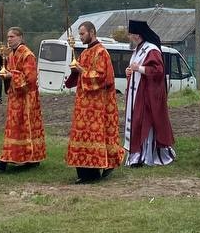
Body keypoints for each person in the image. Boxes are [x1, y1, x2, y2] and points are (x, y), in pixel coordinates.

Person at [64, 20, 124, 182]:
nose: (80, 37)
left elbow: (103, 78)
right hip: (83, 105)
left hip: (97, 106)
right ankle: (83, 173)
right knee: (81, 136)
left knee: (93, 137)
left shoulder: (101, 52)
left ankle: (92, 174)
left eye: (83, 34)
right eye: (79, 34)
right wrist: (74, 72)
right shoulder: (84, 53)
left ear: (92, 32)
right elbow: (78, 76)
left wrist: (81, 70)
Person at [0, 27, 47, 172]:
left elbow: (31, 79)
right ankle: (7, 158)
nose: (9, 39)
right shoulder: (10, 55)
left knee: (26, 128)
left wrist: (11, 76)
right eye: (8, 37)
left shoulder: (28, 54)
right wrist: (6, 76)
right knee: (13, 128)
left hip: (27, 98)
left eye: (12, 37)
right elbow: (10, 73)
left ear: (20, 37)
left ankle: (30, 158)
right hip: (15, 97)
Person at [124, 19, 175, 167]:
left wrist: (139, 68)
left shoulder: (151, 50)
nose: (129, 37)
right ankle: (136, 155)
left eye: (130, 34)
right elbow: (135, 69)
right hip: (137, 95)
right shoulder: (138, 50)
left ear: (137, 35)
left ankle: (145, 156)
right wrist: (130, 71)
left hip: (147, 95)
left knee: (145, 124)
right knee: (137, 123)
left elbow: (158, 71)